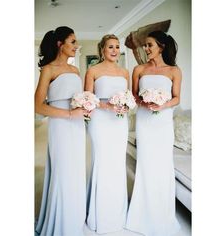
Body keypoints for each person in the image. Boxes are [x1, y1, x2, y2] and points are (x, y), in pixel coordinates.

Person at [126, 30, 182, 236]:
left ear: (161, 47)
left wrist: (162, 104)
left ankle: (162, 213)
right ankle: (141, 214)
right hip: (144, 121)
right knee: (146, 164)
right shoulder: (138, 69)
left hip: (163, 124)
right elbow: (133, 96)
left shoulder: (174, 70)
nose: (146, 49)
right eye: (145, 45)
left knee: (162, 165)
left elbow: (177, 98)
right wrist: (144, 101)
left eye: (149, 45)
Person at [35, 26, 89, 236]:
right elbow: (38, 106)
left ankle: (73, 221)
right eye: (73, 42)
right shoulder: (48, 69)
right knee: (63, 171)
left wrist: (86, 107)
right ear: (60, 44)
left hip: (76, 127)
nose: (77, 46)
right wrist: (68, 115)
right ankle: (60, 224)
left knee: (76, 171)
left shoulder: (75, 70)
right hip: (61, 127)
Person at [85, 34, 129, 234]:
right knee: (102, 162)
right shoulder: (93, 70)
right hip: (101, 122)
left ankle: (117, 214)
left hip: (119, 123)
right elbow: (88, 99)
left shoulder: (125, 72)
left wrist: (125, 107)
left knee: (117, 164)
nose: (114, 50)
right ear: (102, 49)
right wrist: (107, 106)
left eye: (117, 46)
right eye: (110, 46)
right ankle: (99, 215)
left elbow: (129, 98)